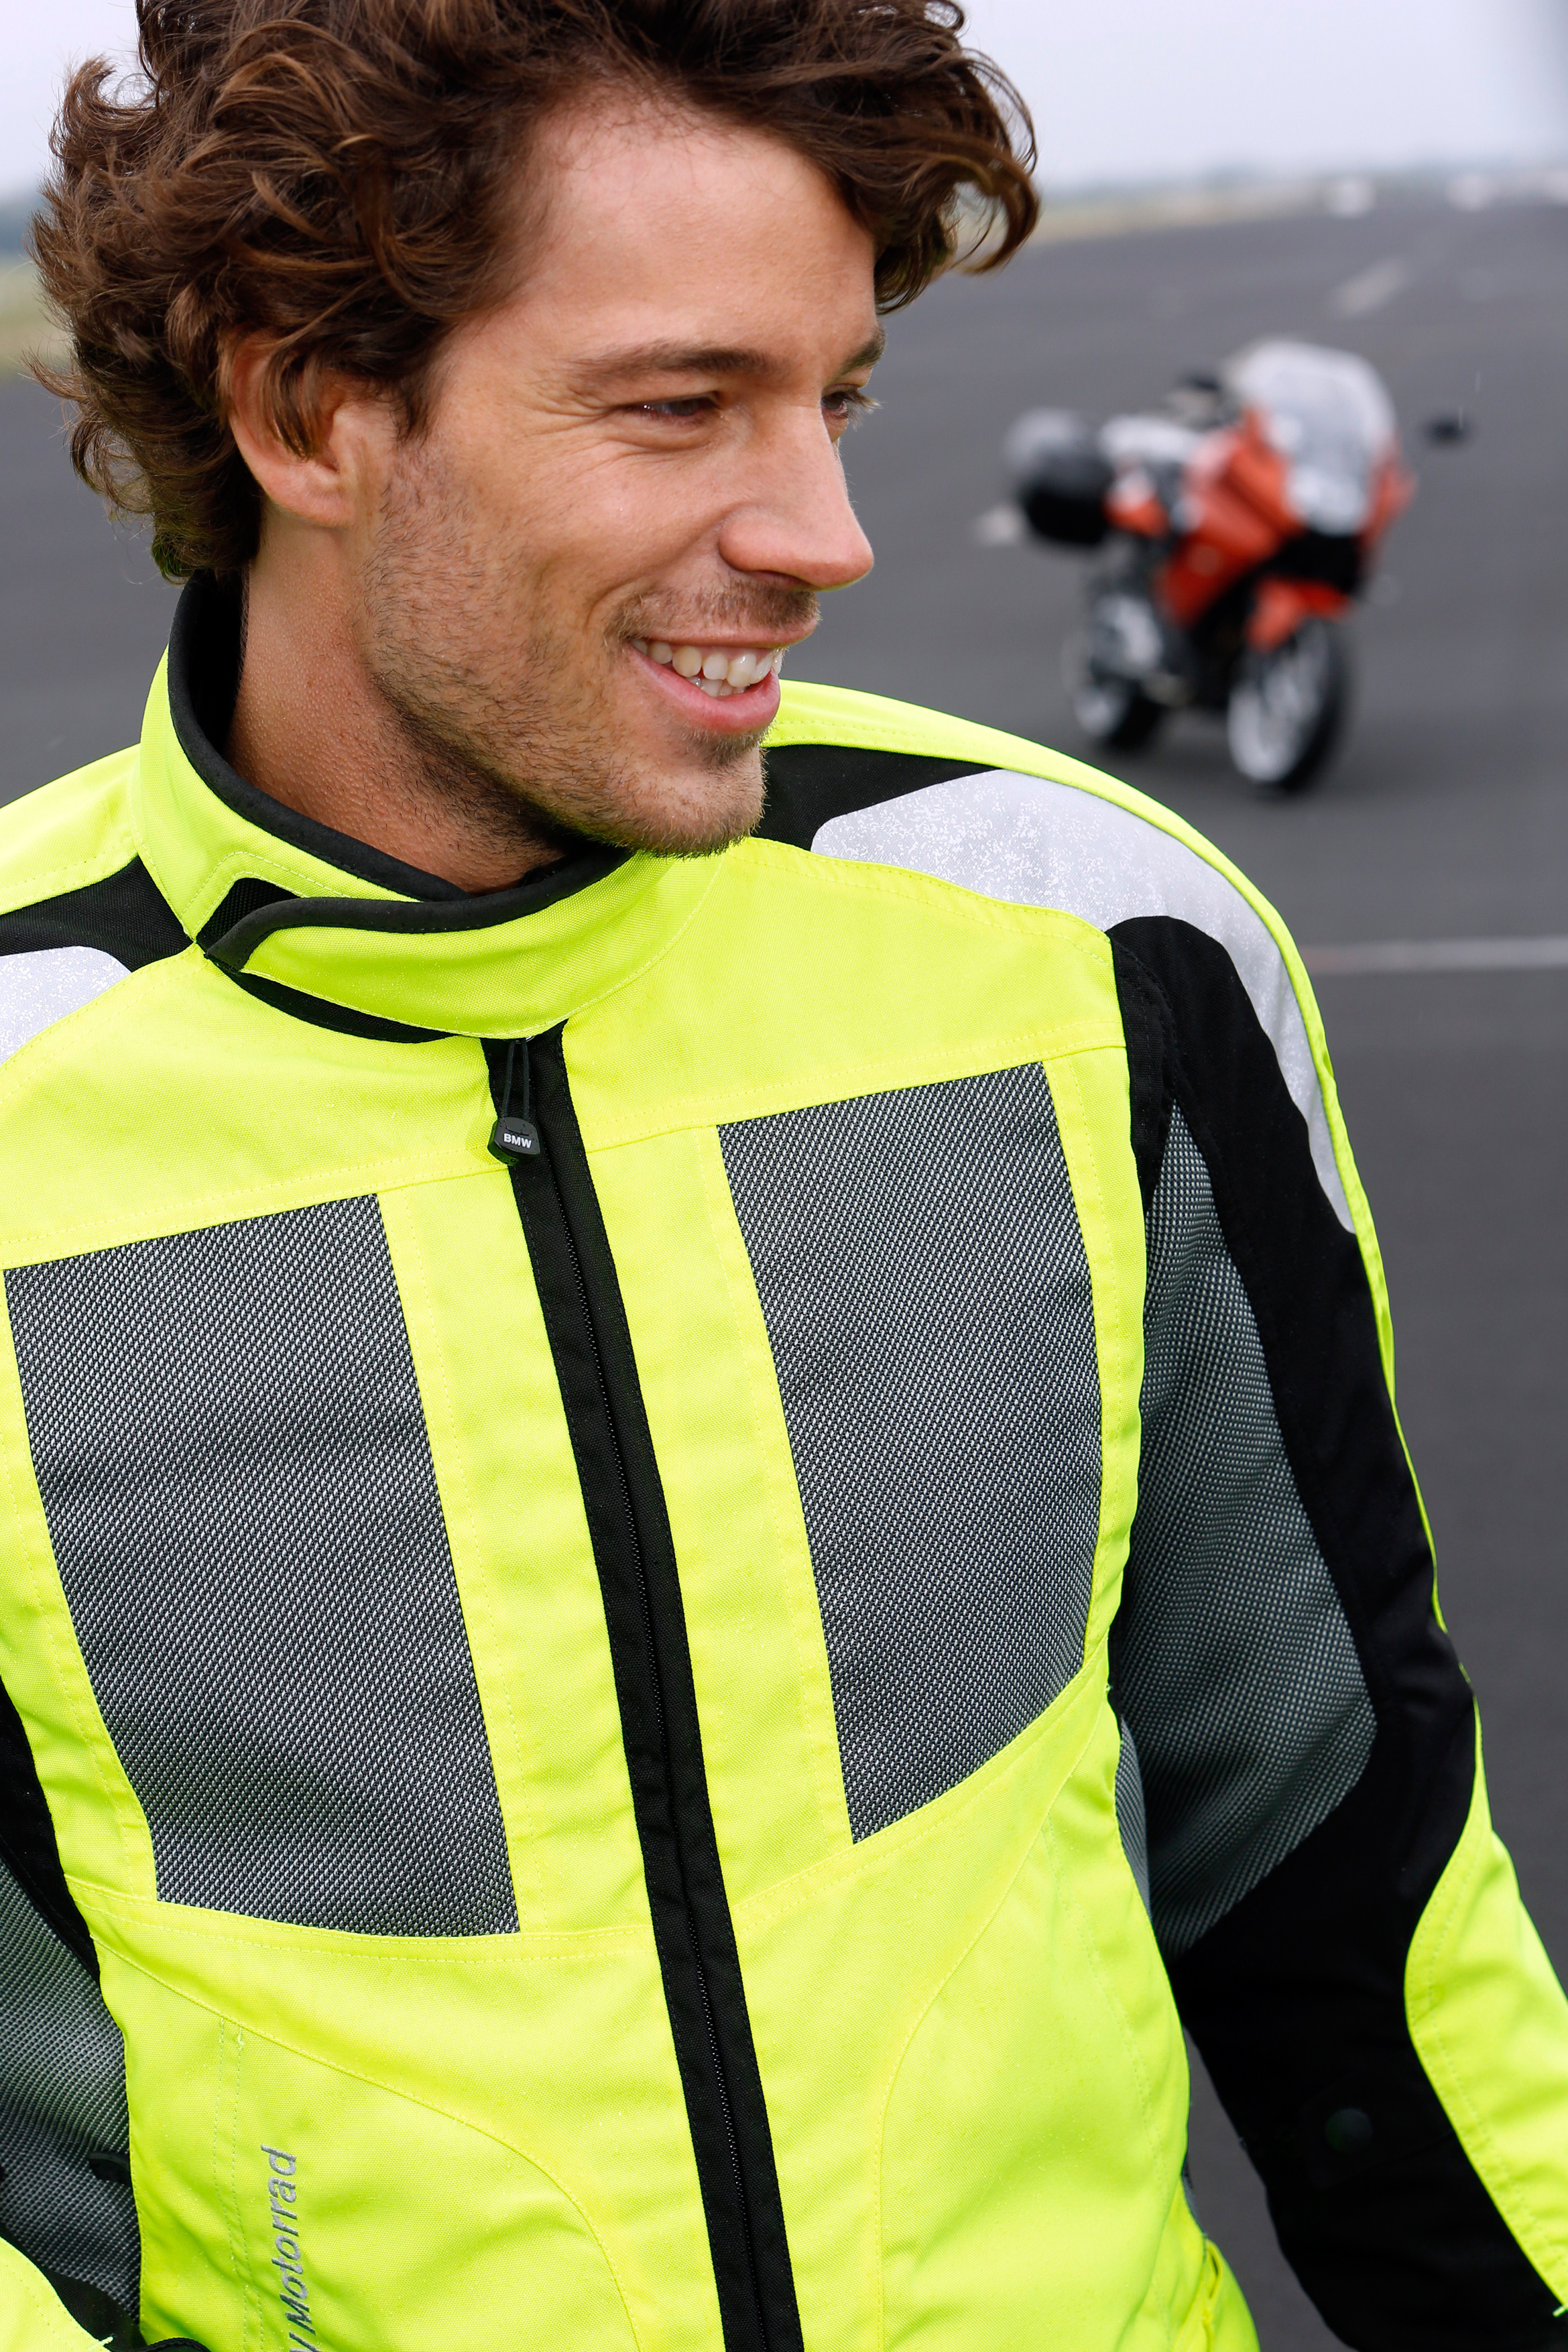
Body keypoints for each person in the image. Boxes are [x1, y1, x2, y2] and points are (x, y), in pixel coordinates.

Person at [3, 1, 1566, 2346]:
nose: (823, 536)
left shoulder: (1089, 942)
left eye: (833, 399)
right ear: (307, 409)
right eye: (679, 404)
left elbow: (1356, 1872)